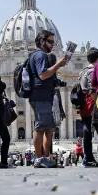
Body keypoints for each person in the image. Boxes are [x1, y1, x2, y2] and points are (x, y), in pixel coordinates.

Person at [29, 30, 67, 168]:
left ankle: (45, 157)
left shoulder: (37, 55)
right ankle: (39, 158)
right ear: (42, 41)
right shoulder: (40, 55)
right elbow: (43, 75)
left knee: (49, 128)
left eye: (54, 42)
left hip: (45, 95)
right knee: (40, 128)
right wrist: (58, 65)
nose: (53, 44)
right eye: (50, 42)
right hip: (41, 96)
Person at [78, 47, 98, 167]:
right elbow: (93, 88)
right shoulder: (93, 71)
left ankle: (87, 158)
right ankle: (93, 157)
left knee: (86, 130)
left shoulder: (82, 71)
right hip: (92, 102)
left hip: (83, 103)